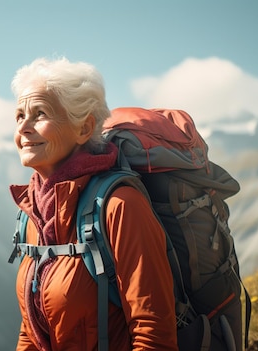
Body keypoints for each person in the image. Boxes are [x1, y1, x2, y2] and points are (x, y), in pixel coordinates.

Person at [9, 57, 179, 351]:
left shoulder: (119, 206)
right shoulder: (32, 214)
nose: (24, 126)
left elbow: (153, 334)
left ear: (84, 128)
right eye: (19, 116)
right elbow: (31, 330)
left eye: (40, 114)